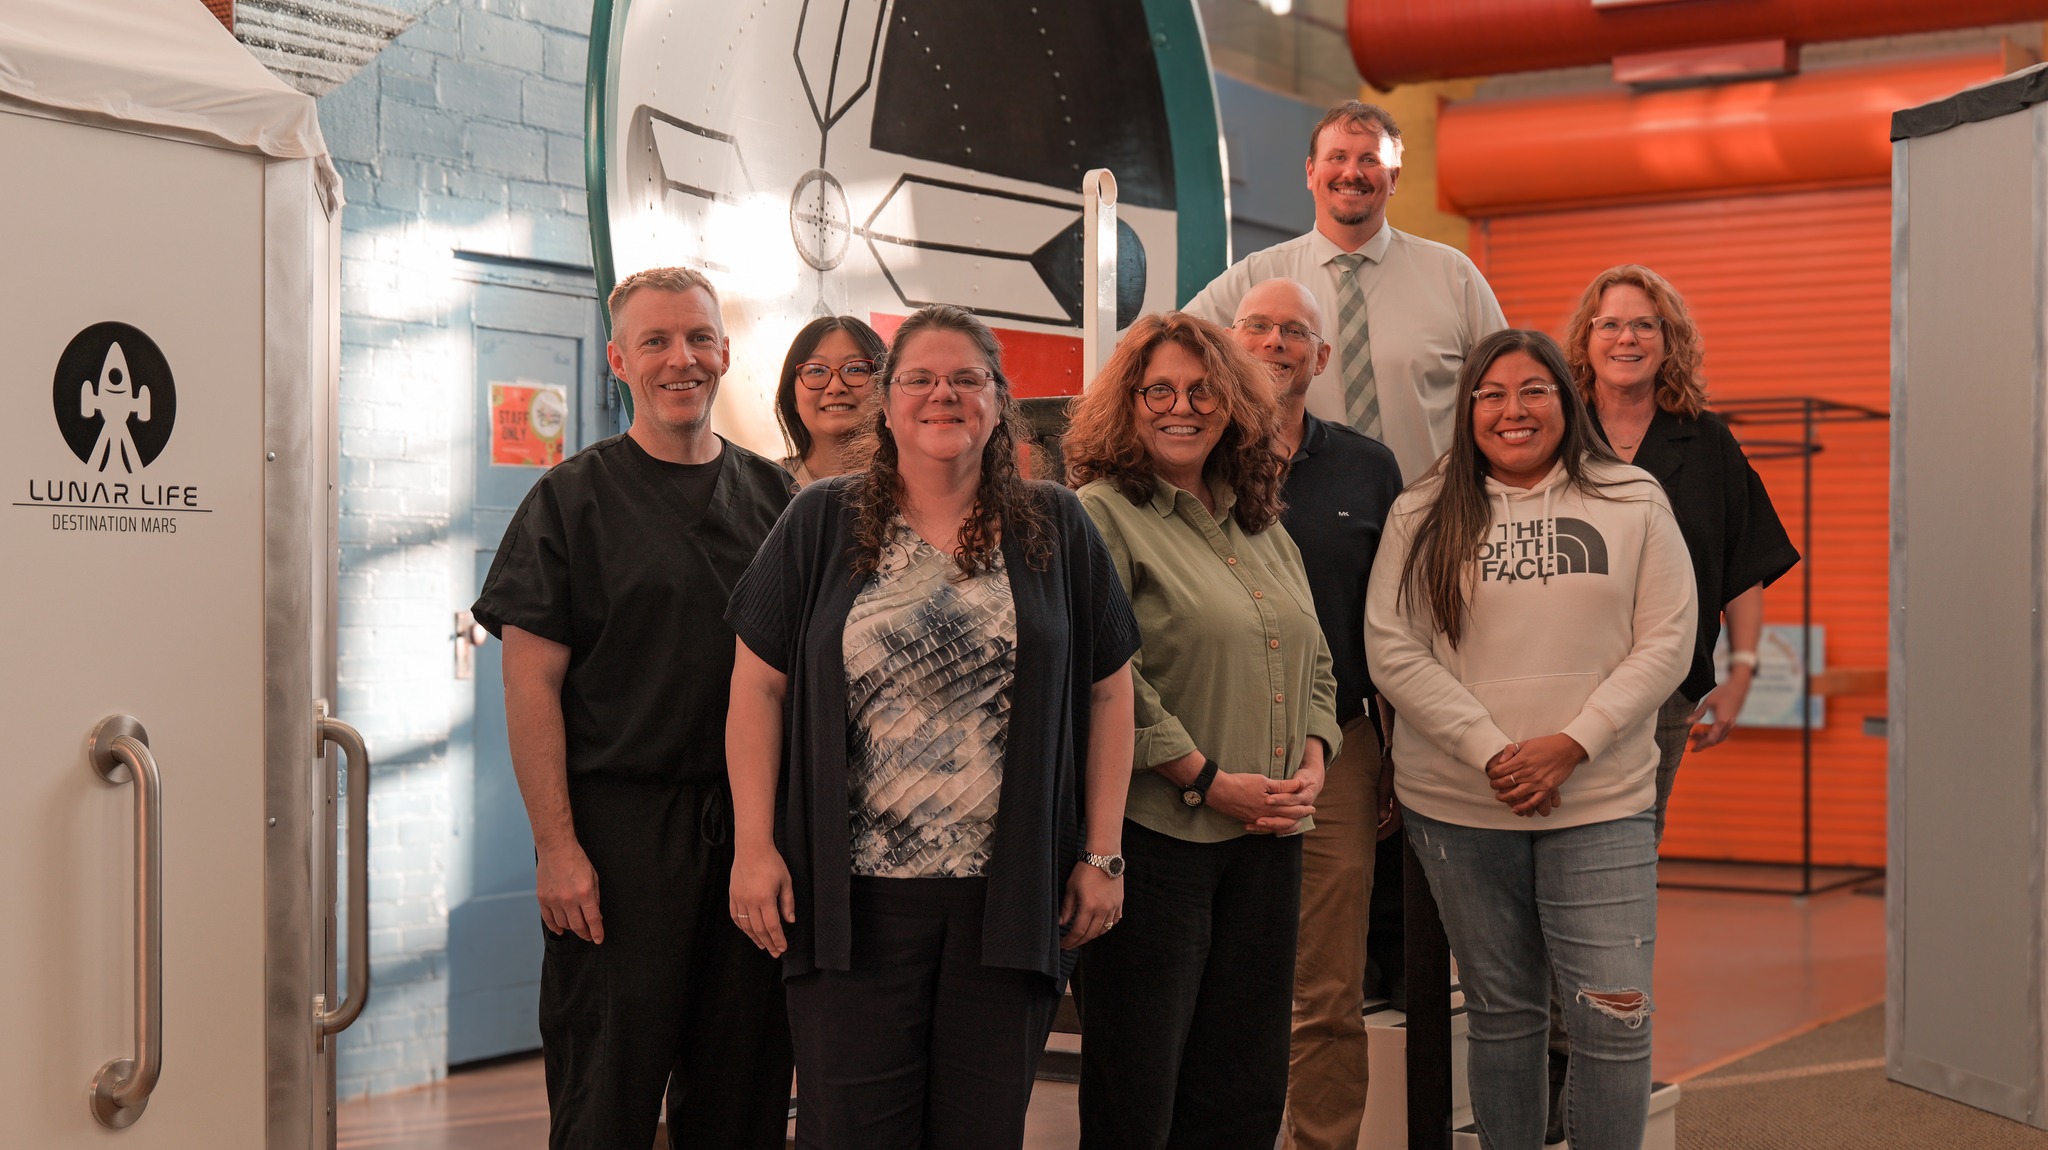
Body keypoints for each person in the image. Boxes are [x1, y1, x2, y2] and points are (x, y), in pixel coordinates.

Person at [723, 304, 1142, 1150]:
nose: (941, 395)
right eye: (918, 379)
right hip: (851, 907)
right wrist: (754, 845)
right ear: (886, 402)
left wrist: (1101, 853)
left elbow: (1110, 695)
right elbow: (755, 691)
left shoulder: (1056, 523)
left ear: (997, 400)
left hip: (1010, 903)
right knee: (851, 1134)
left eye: (965, 379)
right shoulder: (820, 521)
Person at [470, 266, 795, 1149]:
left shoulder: (780, 503)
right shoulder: (569, 503)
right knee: (604, 1100)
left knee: (743, 1097)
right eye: (655, 341)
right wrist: (557, 848)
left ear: (725, 352)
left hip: (751, 834)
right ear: (619, 359)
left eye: (697, 338)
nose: (679, 359)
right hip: (616, 842)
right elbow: (528, 684)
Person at [1365, 328, 1696, 1150]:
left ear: (1566, 400)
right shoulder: (1421, 510)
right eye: (1491, 394)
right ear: (1468, 408)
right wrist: (1490, 749)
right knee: (1504, 1015)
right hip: (1460, 809)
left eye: (1534, 390)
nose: (1513, 411)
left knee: (1614, 1019)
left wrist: (1572, 743)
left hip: (1601, 801)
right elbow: (1392, 647)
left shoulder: (1633, 499)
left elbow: (1668, 641)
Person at [1065, 311, 1343, 1150]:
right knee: (1140, 1086)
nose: (1181, 407)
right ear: (1129, 403)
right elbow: (1107, 677)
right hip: (1158, 842)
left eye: (1203, 389)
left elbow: (1318, 663)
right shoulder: (1099, 515)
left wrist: (1315, 760)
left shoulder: (1261, 525)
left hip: (1269, 841)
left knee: (1245, 1079)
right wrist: (1203, 777)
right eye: (1160, 390)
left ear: (1233, 405)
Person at [1228, 279, 1404, 1150]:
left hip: (1340, 750)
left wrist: (1394, 753)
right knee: (1218, 977)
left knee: (1328, 987)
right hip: (1207, 753)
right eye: (1255, 326)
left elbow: (1396, 617)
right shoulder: (1185, 454)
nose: (1274, 343)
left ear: (1322, 357)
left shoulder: (1368, 468)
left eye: (1294, 332)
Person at [1565, 265, 1799, 839]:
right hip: (1562, 679)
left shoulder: (1707, 440)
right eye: (1611, 324)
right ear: (1586, 339)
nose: (1628, 339)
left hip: (1666, 690)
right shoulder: (1554, 433)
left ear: (1669, 341)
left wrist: (1741, 673)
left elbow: (1743, 562)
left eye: (1646, 325)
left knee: (1633, 842)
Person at [1185, 99, 1507, 481]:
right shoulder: (1255, 277)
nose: (1351, 172)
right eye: (1337, 157)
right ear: (1310, 171)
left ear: (1395, 178)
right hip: (1298, 517)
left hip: (1436, 518)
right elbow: (1172, 353)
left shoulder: (1455, 275)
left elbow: (1507, 389)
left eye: (1370, 160)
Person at [774, 314, 889, 488]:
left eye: (855, 369)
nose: (835, 387)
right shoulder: (766, 485)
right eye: (816, 371)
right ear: (792, 397)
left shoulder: (911, 480)